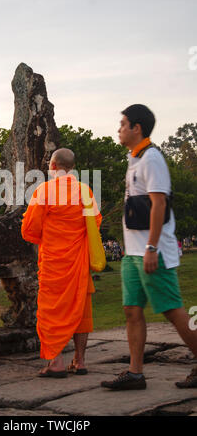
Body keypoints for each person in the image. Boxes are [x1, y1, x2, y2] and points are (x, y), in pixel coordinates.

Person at [101, 104, 197, 390]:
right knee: (132, 310)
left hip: (152, 251)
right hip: (132, 252)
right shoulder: (135, 158)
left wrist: (152, 247)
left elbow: (159, 204)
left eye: (123, 124)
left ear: (136, 128)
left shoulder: (152, 158)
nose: (119, 129)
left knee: (172, 309)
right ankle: (135, 373)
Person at [21, 148, 102, 377]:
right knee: (82, 313)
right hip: (78, 263)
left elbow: (29, 229)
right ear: (72, 168)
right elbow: (94, 224)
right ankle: (80, 361)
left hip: (53, 263)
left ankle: (55, 362)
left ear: (53, 166)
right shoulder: (85, 191)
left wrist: (47, 236)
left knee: (50, 312)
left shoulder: (44, 191)